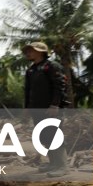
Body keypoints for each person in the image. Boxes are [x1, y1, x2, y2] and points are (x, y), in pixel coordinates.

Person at [23, 41, 68, 177]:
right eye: (28, 51)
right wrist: (26, 108)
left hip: (50, 108)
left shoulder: (52, 66)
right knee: (44, 136)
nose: (28, 53)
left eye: (31, 50)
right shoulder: (31, 69)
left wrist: (55, 105)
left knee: (54, 135)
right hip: (36, 109)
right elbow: (28, 90)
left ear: (40, 51)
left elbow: (59, 86)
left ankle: (63, 167)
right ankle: (53, 163)